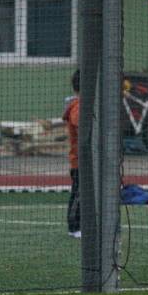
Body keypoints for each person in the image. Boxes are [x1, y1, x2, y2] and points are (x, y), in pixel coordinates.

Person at [63, 70, 81, 239]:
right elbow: (78, 123)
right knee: (79, 193)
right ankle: (74, 227)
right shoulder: (78, 106)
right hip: (79, 162)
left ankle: (85, 224)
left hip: (90, 161)